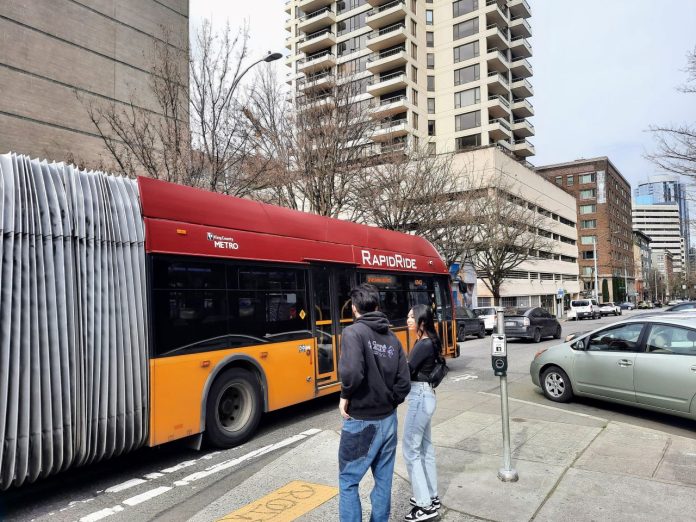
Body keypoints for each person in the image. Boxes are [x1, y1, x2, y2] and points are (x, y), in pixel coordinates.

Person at [338, 283, 411, 522]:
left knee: (349, 481)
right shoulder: (392, 338)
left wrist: (345, 396)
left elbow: (351, 374)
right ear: (377, 306)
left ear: (355, 309)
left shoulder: (353, 333)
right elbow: (404, 382)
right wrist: (390, 402)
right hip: (388, 420)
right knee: (383, 481)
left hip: (361, 421)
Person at [402, 304, 441, 521]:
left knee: (410, 450)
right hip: (426, 396)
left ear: (422, 322)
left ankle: (425, 506)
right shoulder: (430, 342)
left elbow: (406, 372)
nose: (407, 320)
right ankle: (431, 496)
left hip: (419, 398)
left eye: (411, 317)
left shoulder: (422, 345)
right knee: (425, 449)